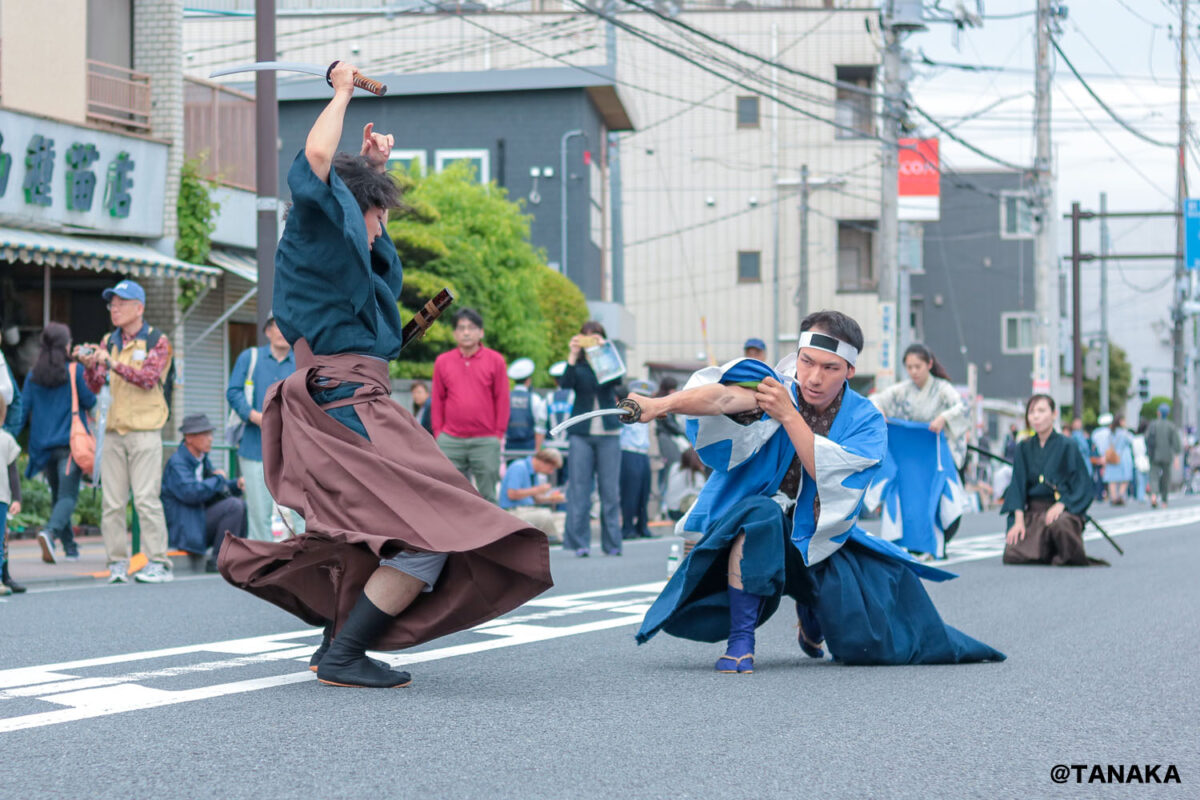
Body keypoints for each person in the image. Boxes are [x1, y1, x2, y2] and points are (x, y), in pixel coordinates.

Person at [216, 62, 551, 689]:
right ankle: (343, 654)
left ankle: (333, 650)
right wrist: (341, 90)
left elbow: (372, 243)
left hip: (349, 398)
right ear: (345, 207)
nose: (377, 225)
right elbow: (316, 157)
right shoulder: (312, 232)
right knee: (434, 529)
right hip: (344, 400)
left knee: (363, 537)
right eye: (374, 212)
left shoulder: (351, 257)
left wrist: (369, 167)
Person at [632, 310, 1005, 671]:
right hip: (763, 526)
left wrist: (789, 416)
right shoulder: (778, 387)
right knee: (758, 515)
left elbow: (829, 474)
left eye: (830, 368)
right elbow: (722, 398)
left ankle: (813, 613)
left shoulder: (867, 420)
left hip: (821, 539)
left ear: (850, 372)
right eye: (807, 362)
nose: (813, 377)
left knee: (869, 639)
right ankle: (741, 642)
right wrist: (657, 405)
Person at [75, 279, 174, 584]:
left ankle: (157, 562)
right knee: (112, 503)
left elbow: (147, 377)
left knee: (145, 499)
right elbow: (95, 385)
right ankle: (117, 563)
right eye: (111, 304)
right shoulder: (109, 341)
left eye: (120, 303)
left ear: (139, 308)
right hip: (113, 430)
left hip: (145, 430)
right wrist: (90, 365)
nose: (114, 309)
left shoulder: (158, 340)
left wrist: (112, 363)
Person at [869, 343, 970, 558]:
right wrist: (878, 409)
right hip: (912, 455)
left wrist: (944, 418)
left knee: (942, 499)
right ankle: (917, 544)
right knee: (913, 500)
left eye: (918, 366)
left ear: (929, 364)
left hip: (938, 453)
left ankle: (937, 540)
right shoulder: (902, 390)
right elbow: (876, 399)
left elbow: (962, 407)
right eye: (909, 367)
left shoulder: (942, 389)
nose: (913, 371)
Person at [12, 323, 96, 564]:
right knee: (68, 496)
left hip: (42, 447)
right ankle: (49, 533)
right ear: (64, 345)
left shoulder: (33, 375)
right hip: (69, 446)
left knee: (58, 496)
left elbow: (23, 409)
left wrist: (9, 437)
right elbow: (89, 401)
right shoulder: (74, 371)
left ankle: (70, 548)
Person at [1001, 395, 1107, 566]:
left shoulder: (1068, 445)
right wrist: (1018, 521)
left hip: (1062, 509)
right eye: (1032, 412)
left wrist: (1062, 504)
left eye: (1041, 411)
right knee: (1013, 553)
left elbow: (1081, 484)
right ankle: (1049, 549)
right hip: (1034, 512)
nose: (1036, 416)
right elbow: (1017, 485)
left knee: (1061, 524)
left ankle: (1055, 548)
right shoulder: (1023, 447)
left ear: (1054, 414)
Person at [226, 315, 303, 542]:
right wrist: (254, 416)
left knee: (302, 514)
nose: (280, 331)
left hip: (295, 451)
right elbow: (233, 392)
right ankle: (263, 570)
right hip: (254, 447)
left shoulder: (300, 362)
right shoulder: (250, 358)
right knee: (259, 515)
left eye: (285, 326)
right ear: (267, 331)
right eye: (274, 326)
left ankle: (305, 566)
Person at [432, 308, 510, 503]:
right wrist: (438, 433)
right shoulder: (443, 361)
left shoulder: (496, 360)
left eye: (471, 328)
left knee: (488, 497)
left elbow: (502, 398)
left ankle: (494, 535)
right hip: (450, 439)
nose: (466, 332)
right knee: (449, 495)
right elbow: (438, 399)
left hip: (485, 440)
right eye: (461, 328)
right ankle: (452, 534)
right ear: (455, 334)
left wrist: (498, 434)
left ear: (481, 332)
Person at [561, 320, 625, 557]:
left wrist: (605, 350)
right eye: (586, 336)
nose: (590, 340)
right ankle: (579, 543)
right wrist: (573, 353)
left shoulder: (607, 362)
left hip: (609, 433)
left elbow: (616, 380)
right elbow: (565, 385)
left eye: (595, 336)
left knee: (609, 490)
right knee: (579, 490)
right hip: (581, 433)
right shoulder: (577, 368)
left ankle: (612, 543)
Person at [161, 414, 247, 573]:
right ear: (189, 438)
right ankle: (217, 560)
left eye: (211, 434)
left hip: (197, 522)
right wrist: (218, 479)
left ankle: (235, 557)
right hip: (184, 530)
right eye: (205, 434)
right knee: (233, 506)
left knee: (242, 505)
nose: (211, 439)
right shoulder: (177, 463)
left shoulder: (202, 459)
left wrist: (235, 484)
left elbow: (212, 485)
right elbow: (192, 492)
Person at [498, 448, 565, 542]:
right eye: (551, 468)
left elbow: (535, 499)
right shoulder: (519, 467)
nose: (551, 472)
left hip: (527, 510)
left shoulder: (533, 472)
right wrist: (537, 490)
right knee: (545, 515)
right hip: (513, 512)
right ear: (543, 462)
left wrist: (551, 498)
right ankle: (554, 537)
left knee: (562, 516)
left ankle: (553, 535)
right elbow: (512, 494)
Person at [619, 379, 654, 540]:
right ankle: (628, 527)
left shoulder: (647, 411)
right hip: (629, 452)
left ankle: (642, 526)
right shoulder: (625, 410)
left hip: (643, 453)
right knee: (630, 492)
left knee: (644, 492)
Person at [0, 394, 22, 597]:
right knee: (0, 540)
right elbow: (13, 472)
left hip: (2, 498)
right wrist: (17, 498)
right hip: (2, 497)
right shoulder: (6, 439)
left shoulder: (6, 439)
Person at [504, 357, 546, 461]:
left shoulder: (505, 397)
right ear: (528, 381)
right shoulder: (534, 398)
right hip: (529, 446)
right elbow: (540, 426)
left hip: (509, 446)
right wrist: (538, 449)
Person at [1146, 403, 1182, 508]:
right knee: (1166, 478)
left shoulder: (1153, 424)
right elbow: (1176, 443)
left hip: (1154, 455)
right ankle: (1164, 501)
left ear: (1159, 413)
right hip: (1167, 456)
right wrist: (1176, 458)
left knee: (1153, 476)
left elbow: (1147, 438)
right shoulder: (1171, 426)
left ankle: (1153, 495)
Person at [1102, 414, 1134, 505]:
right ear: (1121, 421)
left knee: (1112, 479)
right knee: (1125, 478)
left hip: (1112, 456)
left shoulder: (1111, 432)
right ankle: (1120, 495)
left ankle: (1113, 497)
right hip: (1123, 457)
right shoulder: (1124, 433)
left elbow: (1107, 444)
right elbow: (1131, 441)